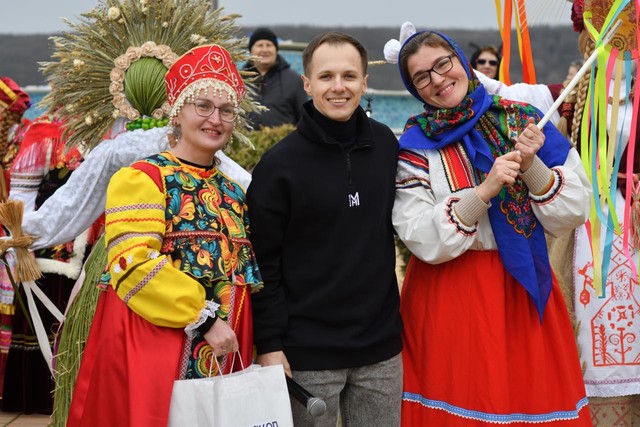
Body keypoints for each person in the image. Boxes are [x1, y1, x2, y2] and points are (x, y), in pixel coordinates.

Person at [390, 28, 592, 425]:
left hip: (523, 290)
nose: (438, 79)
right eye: (422, 77)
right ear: (414, 89)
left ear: (462, 62)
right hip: (448, 296)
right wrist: (482, 192)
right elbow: (417, 233)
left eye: (443, 64)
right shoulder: (416, 145)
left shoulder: (525, 120)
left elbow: (575, 208)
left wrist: (532, 166)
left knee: (529, 399)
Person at [66, 44, 263, 426]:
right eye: (202, 106)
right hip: (155, 346)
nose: (215, 119)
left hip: (226, 348)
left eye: (226, 110)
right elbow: (132, 264)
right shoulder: (142, 178)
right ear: (177, 111)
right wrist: (204, 320)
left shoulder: (233, 191)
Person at [247, 32, 403, 426]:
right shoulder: (278, 166)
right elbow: (262, 264)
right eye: (326, 76)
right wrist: (269, 344)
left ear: (364, 82)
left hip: (381, 351)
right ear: (307, 83)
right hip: (307, 355)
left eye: (349, 76)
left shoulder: (386, 145)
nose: (338, 87)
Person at [243, 27, 307, 128]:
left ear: (276, 49)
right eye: (260, 45)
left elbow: (304, 119)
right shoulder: (239, 80)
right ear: (251, 50)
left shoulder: (294, 80)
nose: (265, 50)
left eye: (269, 45)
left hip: (284, 138)